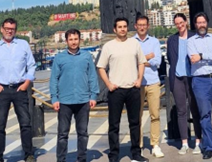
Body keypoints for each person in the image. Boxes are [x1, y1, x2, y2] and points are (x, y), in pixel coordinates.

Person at [0, 18, 36, 162]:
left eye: (12, 29)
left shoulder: (23, 45)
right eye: (7, 28)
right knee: (0, 124)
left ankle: (28, 154)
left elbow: (32, 65)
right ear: (1, 29)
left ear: (15, 30)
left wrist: (26, 83)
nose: (9, 31)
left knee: (25, 123)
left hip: (20, 89)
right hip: (2, 90)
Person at [97, 17, 147, 162]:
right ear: (115, 29)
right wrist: (108, 84)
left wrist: (139, 79)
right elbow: (101, 67)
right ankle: (113, 155)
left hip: (133, 89)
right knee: (114, 124)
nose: (123, 29)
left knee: (135, 123)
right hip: (116, 90)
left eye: (125, 26)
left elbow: (142, 62)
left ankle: (136, 153)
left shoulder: (134, 43)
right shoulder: (108, 46)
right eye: (120, 27)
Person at [50, 28, 99, 162]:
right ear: (66, 41)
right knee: (62, 134)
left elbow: (92, 77)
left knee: (83, 133)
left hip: (83, 101)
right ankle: (61, 159)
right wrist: (54, 98)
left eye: (76, 39)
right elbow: (54, 78)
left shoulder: (86, 56)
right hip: (65, 101)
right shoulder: (59, 58)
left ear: (80, 40)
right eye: (71, 39)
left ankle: (82, 158)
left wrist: (93, 96)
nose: (73, 42)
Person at [187, 12, 212, 160]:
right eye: (199, 23)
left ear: (207, 23)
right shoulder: (191, 41)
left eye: (204, 22)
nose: (201, 25)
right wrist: (208, 56)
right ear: (195, 25)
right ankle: (209, 147)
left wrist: (202, 56)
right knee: (204, 115)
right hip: (200, 81)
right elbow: (193, 58)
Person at [167, 12, 202, 154]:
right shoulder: (172, 39)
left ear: (186, 22)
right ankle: (184, 142)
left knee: (195, 109)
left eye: (182, 22)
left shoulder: (194, 37)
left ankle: (198, 140)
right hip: (177, 78)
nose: (180, 25)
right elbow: (170, 58)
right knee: (181, 111)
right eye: (177, 23)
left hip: (192, 77)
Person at [134, 15, 164, 158]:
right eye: (139, 24)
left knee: (155, 114)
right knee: (136, 116)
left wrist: (141, 60)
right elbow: (131, 62)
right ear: (135, 26)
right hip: (136, 83)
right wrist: (148, 57)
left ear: (148, 26)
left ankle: (155, 144)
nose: (142, 27)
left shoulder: (155, 41)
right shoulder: (131, 42)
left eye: (144, 24)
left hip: (153, 82)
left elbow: (157, 61)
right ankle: (138, 145)